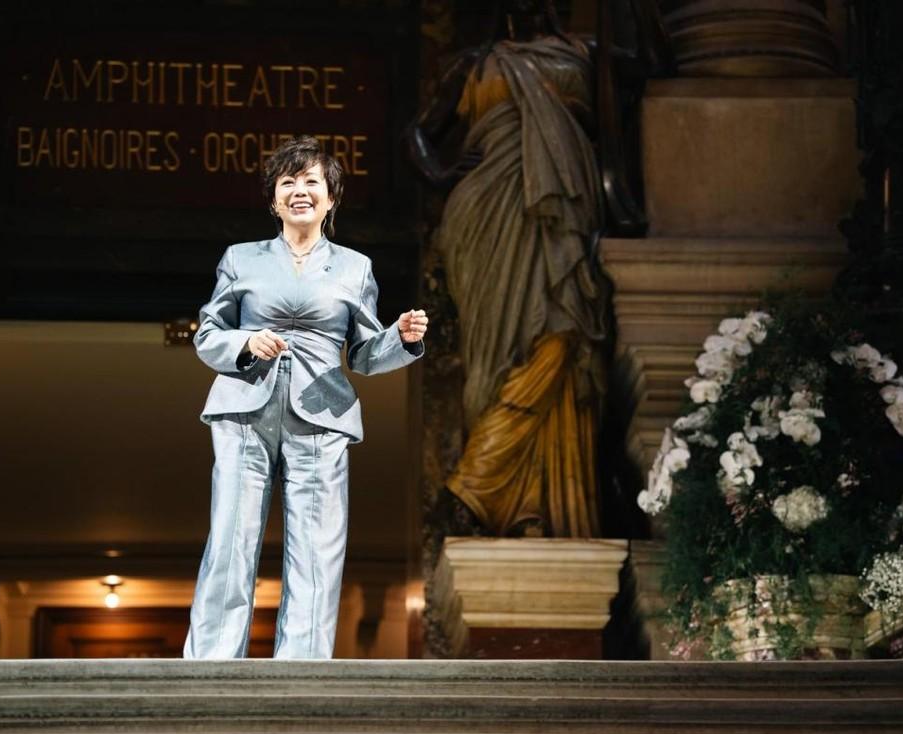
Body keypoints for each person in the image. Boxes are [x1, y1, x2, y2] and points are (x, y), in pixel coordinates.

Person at [183, 135, 427, 660]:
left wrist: (401, 338)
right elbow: (207, 334)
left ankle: (303, 667)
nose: (300, 190)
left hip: (321, 412)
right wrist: (245, 342)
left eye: (311, 181)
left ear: (330, 197)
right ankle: (212, 662)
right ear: (274, 199)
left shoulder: (354, 267)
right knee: (231, 535)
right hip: (244, 407)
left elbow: (364, 354)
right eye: (288, 181)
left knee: (317, 545)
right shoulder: (241, 258)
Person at [406, 0, 609, 538]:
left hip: (563, 210)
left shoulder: (585, 54)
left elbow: (645, 78)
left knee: (562, 332)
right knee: (494, 355)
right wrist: (442, 173)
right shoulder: (476, 62)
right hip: (487, 212)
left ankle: (482, 486)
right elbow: (418, 133)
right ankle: (496, 498)